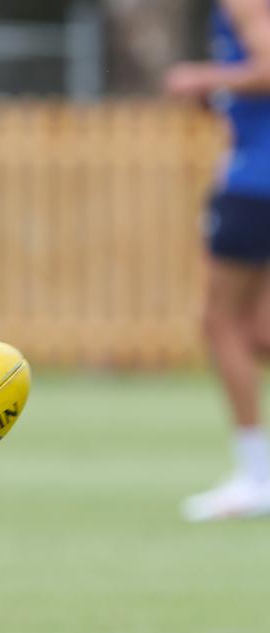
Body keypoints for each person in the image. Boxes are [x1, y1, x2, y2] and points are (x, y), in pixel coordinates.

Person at [166, 0, 270, 521]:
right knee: (255, 329)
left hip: (257, 181)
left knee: (221, 319)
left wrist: (198, 76)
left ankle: (257, 477)